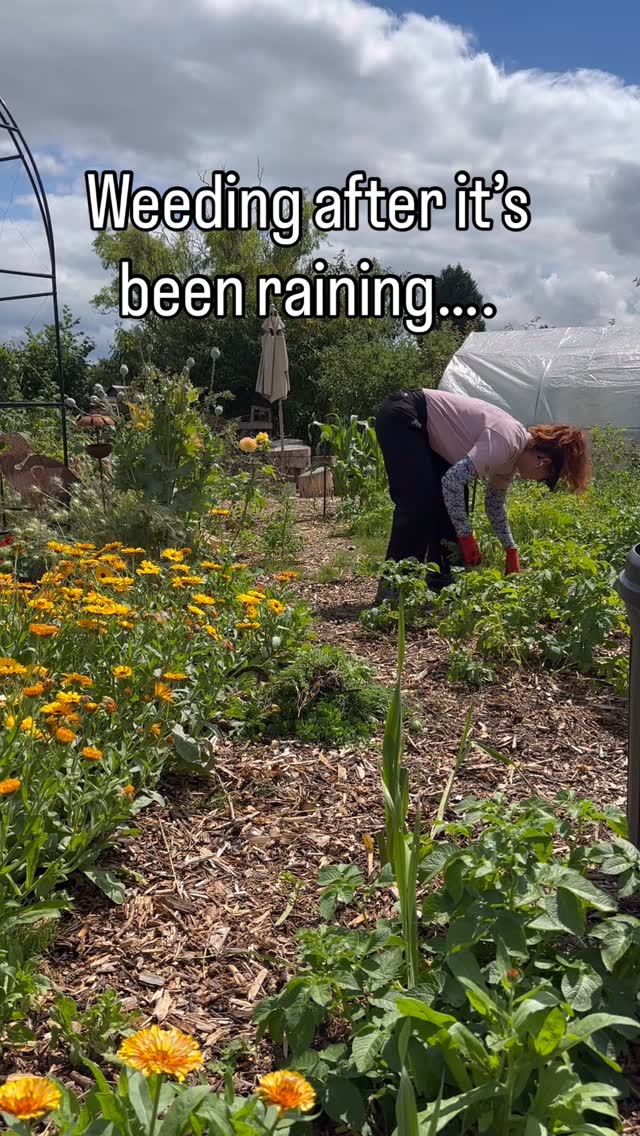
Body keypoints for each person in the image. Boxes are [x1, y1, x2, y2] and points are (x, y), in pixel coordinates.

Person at [374, 387, 590, 601]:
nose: (538, 481)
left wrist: (511, 549)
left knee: (452, 501)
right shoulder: (506, 441)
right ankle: (393, 587)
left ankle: (442, 583)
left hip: (426, 431)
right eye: (544, 478)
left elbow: (494, 506)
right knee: (420, 502)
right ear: (543, 462)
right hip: (405, 414)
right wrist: (465, 535)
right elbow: (453, 481)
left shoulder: (511, 460)